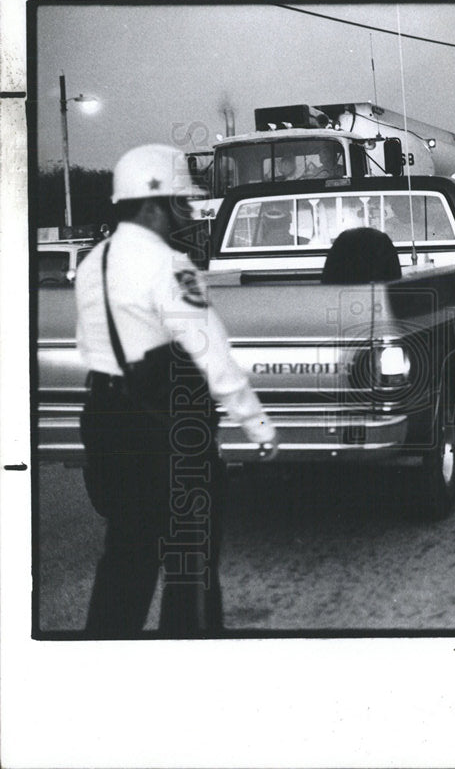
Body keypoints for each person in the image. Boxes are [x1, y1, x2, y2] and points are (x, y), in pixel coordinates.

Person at [75, 144, 278, 636]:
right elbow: (212, 352)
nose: (183, 215)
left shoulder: (91, 264)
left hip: (104, 422)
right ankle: (189, 660)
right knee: (190, 567)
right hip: (167, 432)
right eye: (178, 204)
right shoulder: (170, 265)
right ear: (152, 204)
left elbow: (90, 345)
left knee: (125, 556)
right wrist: (257, 424)